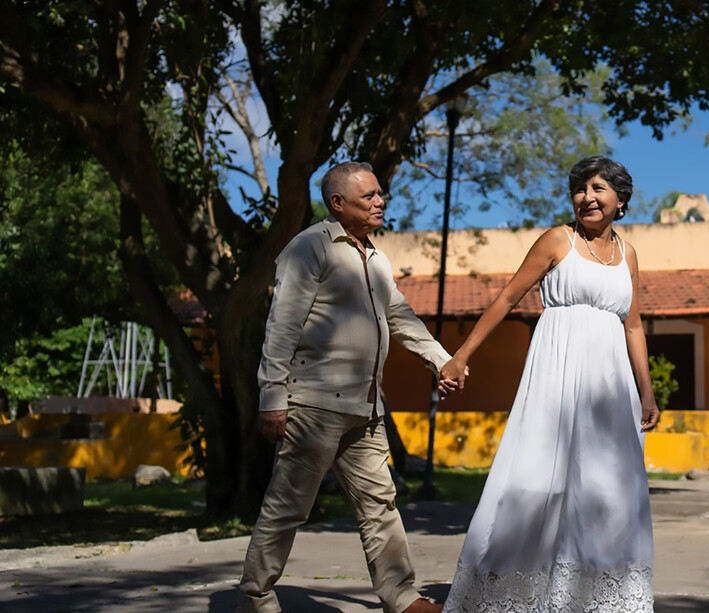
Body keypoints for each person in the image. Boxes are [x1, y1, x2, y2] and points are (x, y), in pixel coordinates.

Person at [438, 156, 660, 612]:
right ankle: (513, 592)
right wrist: (461, 354)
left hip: (609, 382)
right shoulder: (559, 239)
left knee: (607, 486)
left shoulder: (628, 254)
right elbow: (506, 297)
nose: (587, 197)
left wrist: (647, 390)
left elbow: (633, 325)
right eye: (580, 189)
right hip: (557, 368)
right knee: (537, 476)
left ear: (621, 200)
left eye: (598, 188)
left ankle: (594, 597)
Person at [237, 161, 456, 613]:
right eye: (369, 196)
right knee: (287, 508)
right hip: (313, 406)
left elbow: (399, 317)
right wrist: (272, 399)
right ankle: (255, 599)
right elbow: (280, 328)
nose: (380, 202)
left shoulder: (375, 257)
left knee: (381, 505)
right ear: (338, 203)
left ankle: (401, 596)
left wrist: (441, 359)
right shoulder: (308, 249)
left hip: (367, 407)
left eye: (380, 194)